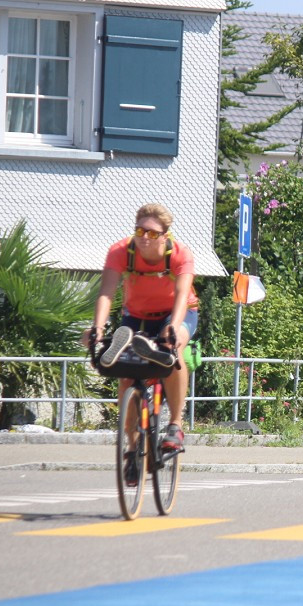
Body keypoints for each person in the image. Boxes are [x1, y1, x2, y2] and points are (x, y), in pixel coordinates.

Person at [82, 203, 198, 485]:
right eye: (139, 231)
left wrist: (172, 327)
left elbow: (182, 295)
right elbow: (106, 293)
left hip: (176, 313)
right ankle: (132, 450)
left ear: (165, 235)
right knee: (126, 374)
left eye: (152, 233)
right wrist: (97, 328)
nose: (145, 237)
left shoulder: (180, 254)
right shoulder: (120, 251)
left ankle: (175, 426)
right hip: (135, 316)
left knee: (174, 348)